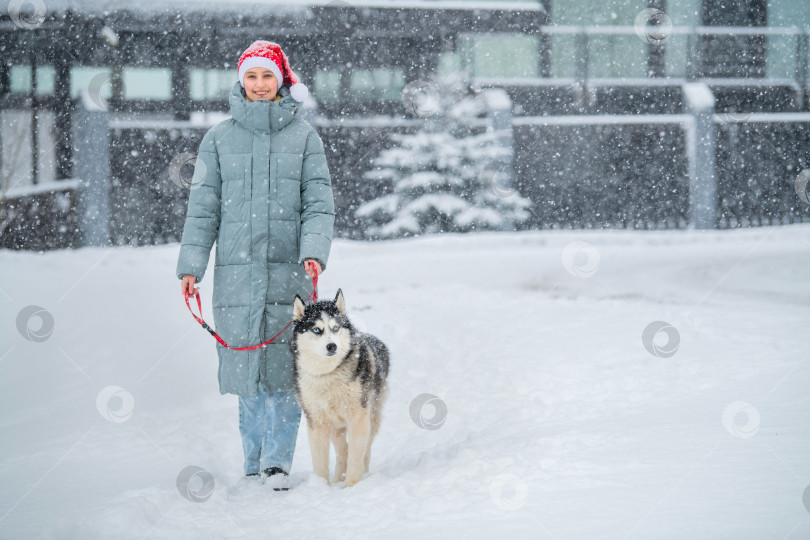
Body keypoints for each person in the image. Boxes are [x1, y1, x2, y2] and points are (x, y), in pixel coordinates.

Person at [176, 40, 335, 489]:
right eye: (252, 76)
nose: (260, 85)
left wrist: (313, 250)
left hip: (290, 273)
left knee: (284, 371)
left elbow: (319, 204)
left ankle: (277, 464)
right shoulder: (218, 139)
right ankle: (253, 462)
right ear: (241, 80)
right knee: (247, 374)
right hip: (236, 274)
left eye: (268, 76)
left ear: (282, 80)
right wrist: (192, 266)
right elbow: (202, 209)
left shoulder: (304, 137)